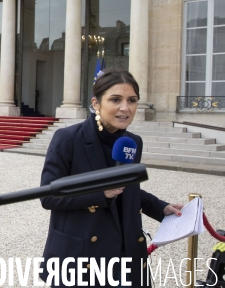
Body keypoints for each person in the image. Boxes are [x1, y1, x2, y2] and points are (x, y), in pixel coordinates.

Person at [39, 69, 182, 287]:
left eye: (132, 100)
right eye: (115, 99)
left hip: (126, 250)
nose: (125, 108)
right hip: (82, 254)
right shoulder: (68, 139)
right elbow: (48, 196)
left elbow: (127, 188)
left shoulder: (132, 142)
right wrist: (99, 194)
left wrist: (160, 207)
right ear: (96, 103)